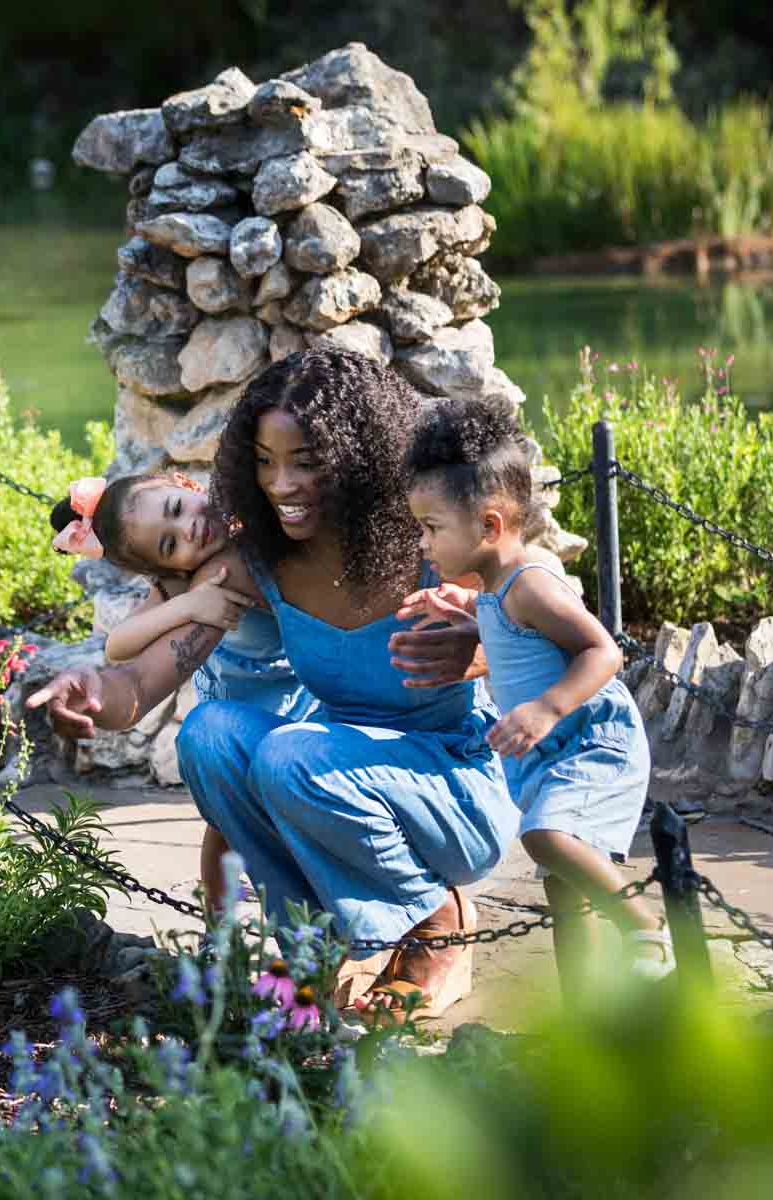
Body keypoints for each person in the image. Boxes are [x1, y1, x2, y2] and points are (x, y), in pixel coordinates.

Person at [30, 349, 519, 1021]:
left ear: (359, 454)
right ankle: (316, 949)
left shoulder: (431, 540)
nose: (281, 484)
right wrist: (90, 692)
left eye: (305, 462)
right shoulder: (259, 562)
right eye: (264, 462)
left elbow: (565, 639)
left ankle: (437, 922)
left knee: (293, 753)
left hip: (449, 791)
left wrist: (487, 646)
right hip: (334, 774)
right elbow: (144, 680)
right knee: (210, 736)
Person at [402, 393, 672, 992]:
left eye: (431, 529)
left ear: (490, 525)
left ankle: (645, 927)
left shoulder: (529, 583)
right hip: (555, 754)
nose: (423, 544)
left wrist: (547, 707)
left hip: (590, 743)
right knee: (565, 886)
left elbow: (604, 650)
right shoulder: (498, 586)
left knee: (546, 838)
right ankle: (584, 1011)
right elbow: (516, 641)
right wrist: (470, 617)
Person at [47, 472, 318, 914]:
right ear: (169, 568)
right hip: (238, 706)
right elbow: (118, 647)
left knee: (295, 815)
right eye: (170, 545)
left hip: (297, 694)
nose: (188, 529)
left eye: (176, 509)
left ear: (185, 484)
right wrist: (188, 605)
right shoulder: (189, 581)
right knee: (226, 825)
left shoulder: (253, 517)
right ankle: (219, 924)